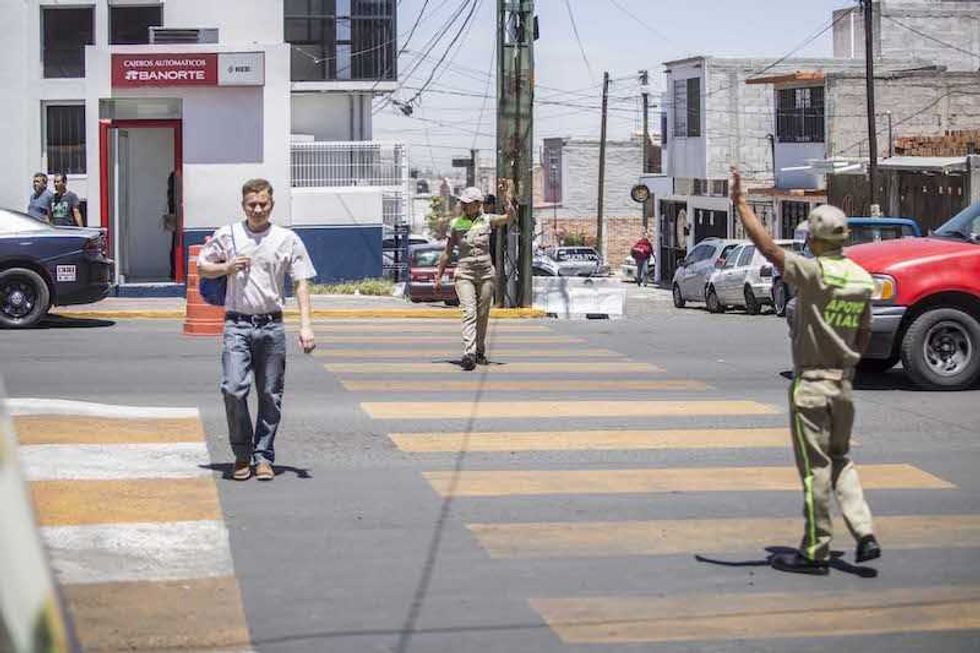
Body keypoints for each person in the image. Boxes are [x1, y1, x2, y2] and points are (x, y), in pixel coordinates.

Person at [731, 167, 880, 575]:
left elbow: (769, 251)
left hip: (812, 385)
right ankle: (864, 531)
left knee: (816, 470)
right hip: (844, 385)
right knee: (842, 460)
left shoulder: (814, 274)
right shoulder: (861, 279)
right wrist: (847, 361)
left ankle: (815, 550)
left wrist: (742, 204)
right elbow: (865, 332)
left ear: (814, 240)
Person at [198, 178, 317, 482]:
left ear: (271, 204)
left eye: (263, 203)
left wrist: (306, 326)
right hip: (237, 324)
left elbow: (302, 281)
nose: (258, 209)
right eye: (252, 204)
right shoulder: (229, 235)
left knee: (270, 394)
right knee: (233, 388)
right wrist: (226, 267)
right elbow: (202, 267)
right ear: (243, 205)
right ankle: (241, 453)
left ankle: (263, 456)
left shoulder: (286, 239)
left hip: (272, 325)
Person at [435, 180, 515, 371]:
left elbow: (509, 218)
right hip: (465, 274)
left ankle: (479, 350)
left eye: (468, 202)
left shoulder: (487, 219)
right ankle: (469, 353)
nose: (465, 205)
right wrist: (439, 275)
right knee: (469, 312)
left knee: (482, 314)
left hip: (486, 273)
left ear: (478, 204)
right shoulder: (456, 224)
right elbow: (447, 252)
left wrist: (506, 197)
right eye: (463, 202)